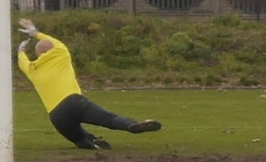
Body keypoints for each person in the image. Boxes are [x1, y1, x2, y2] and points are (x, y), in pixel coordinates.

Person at [16, 18, 162, 150]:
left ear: (37, 54)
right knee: (109, 119)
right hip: (74, 102)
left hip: (57, 116)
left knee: (79, 139)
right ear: (52, 49)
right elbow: (52, 41)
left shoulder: (31, 69)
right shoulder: (60, 52)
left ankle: (90, 142)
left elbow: (22, 60)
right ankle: (131, 126)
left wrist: (21, 50)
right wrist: (34, 32)